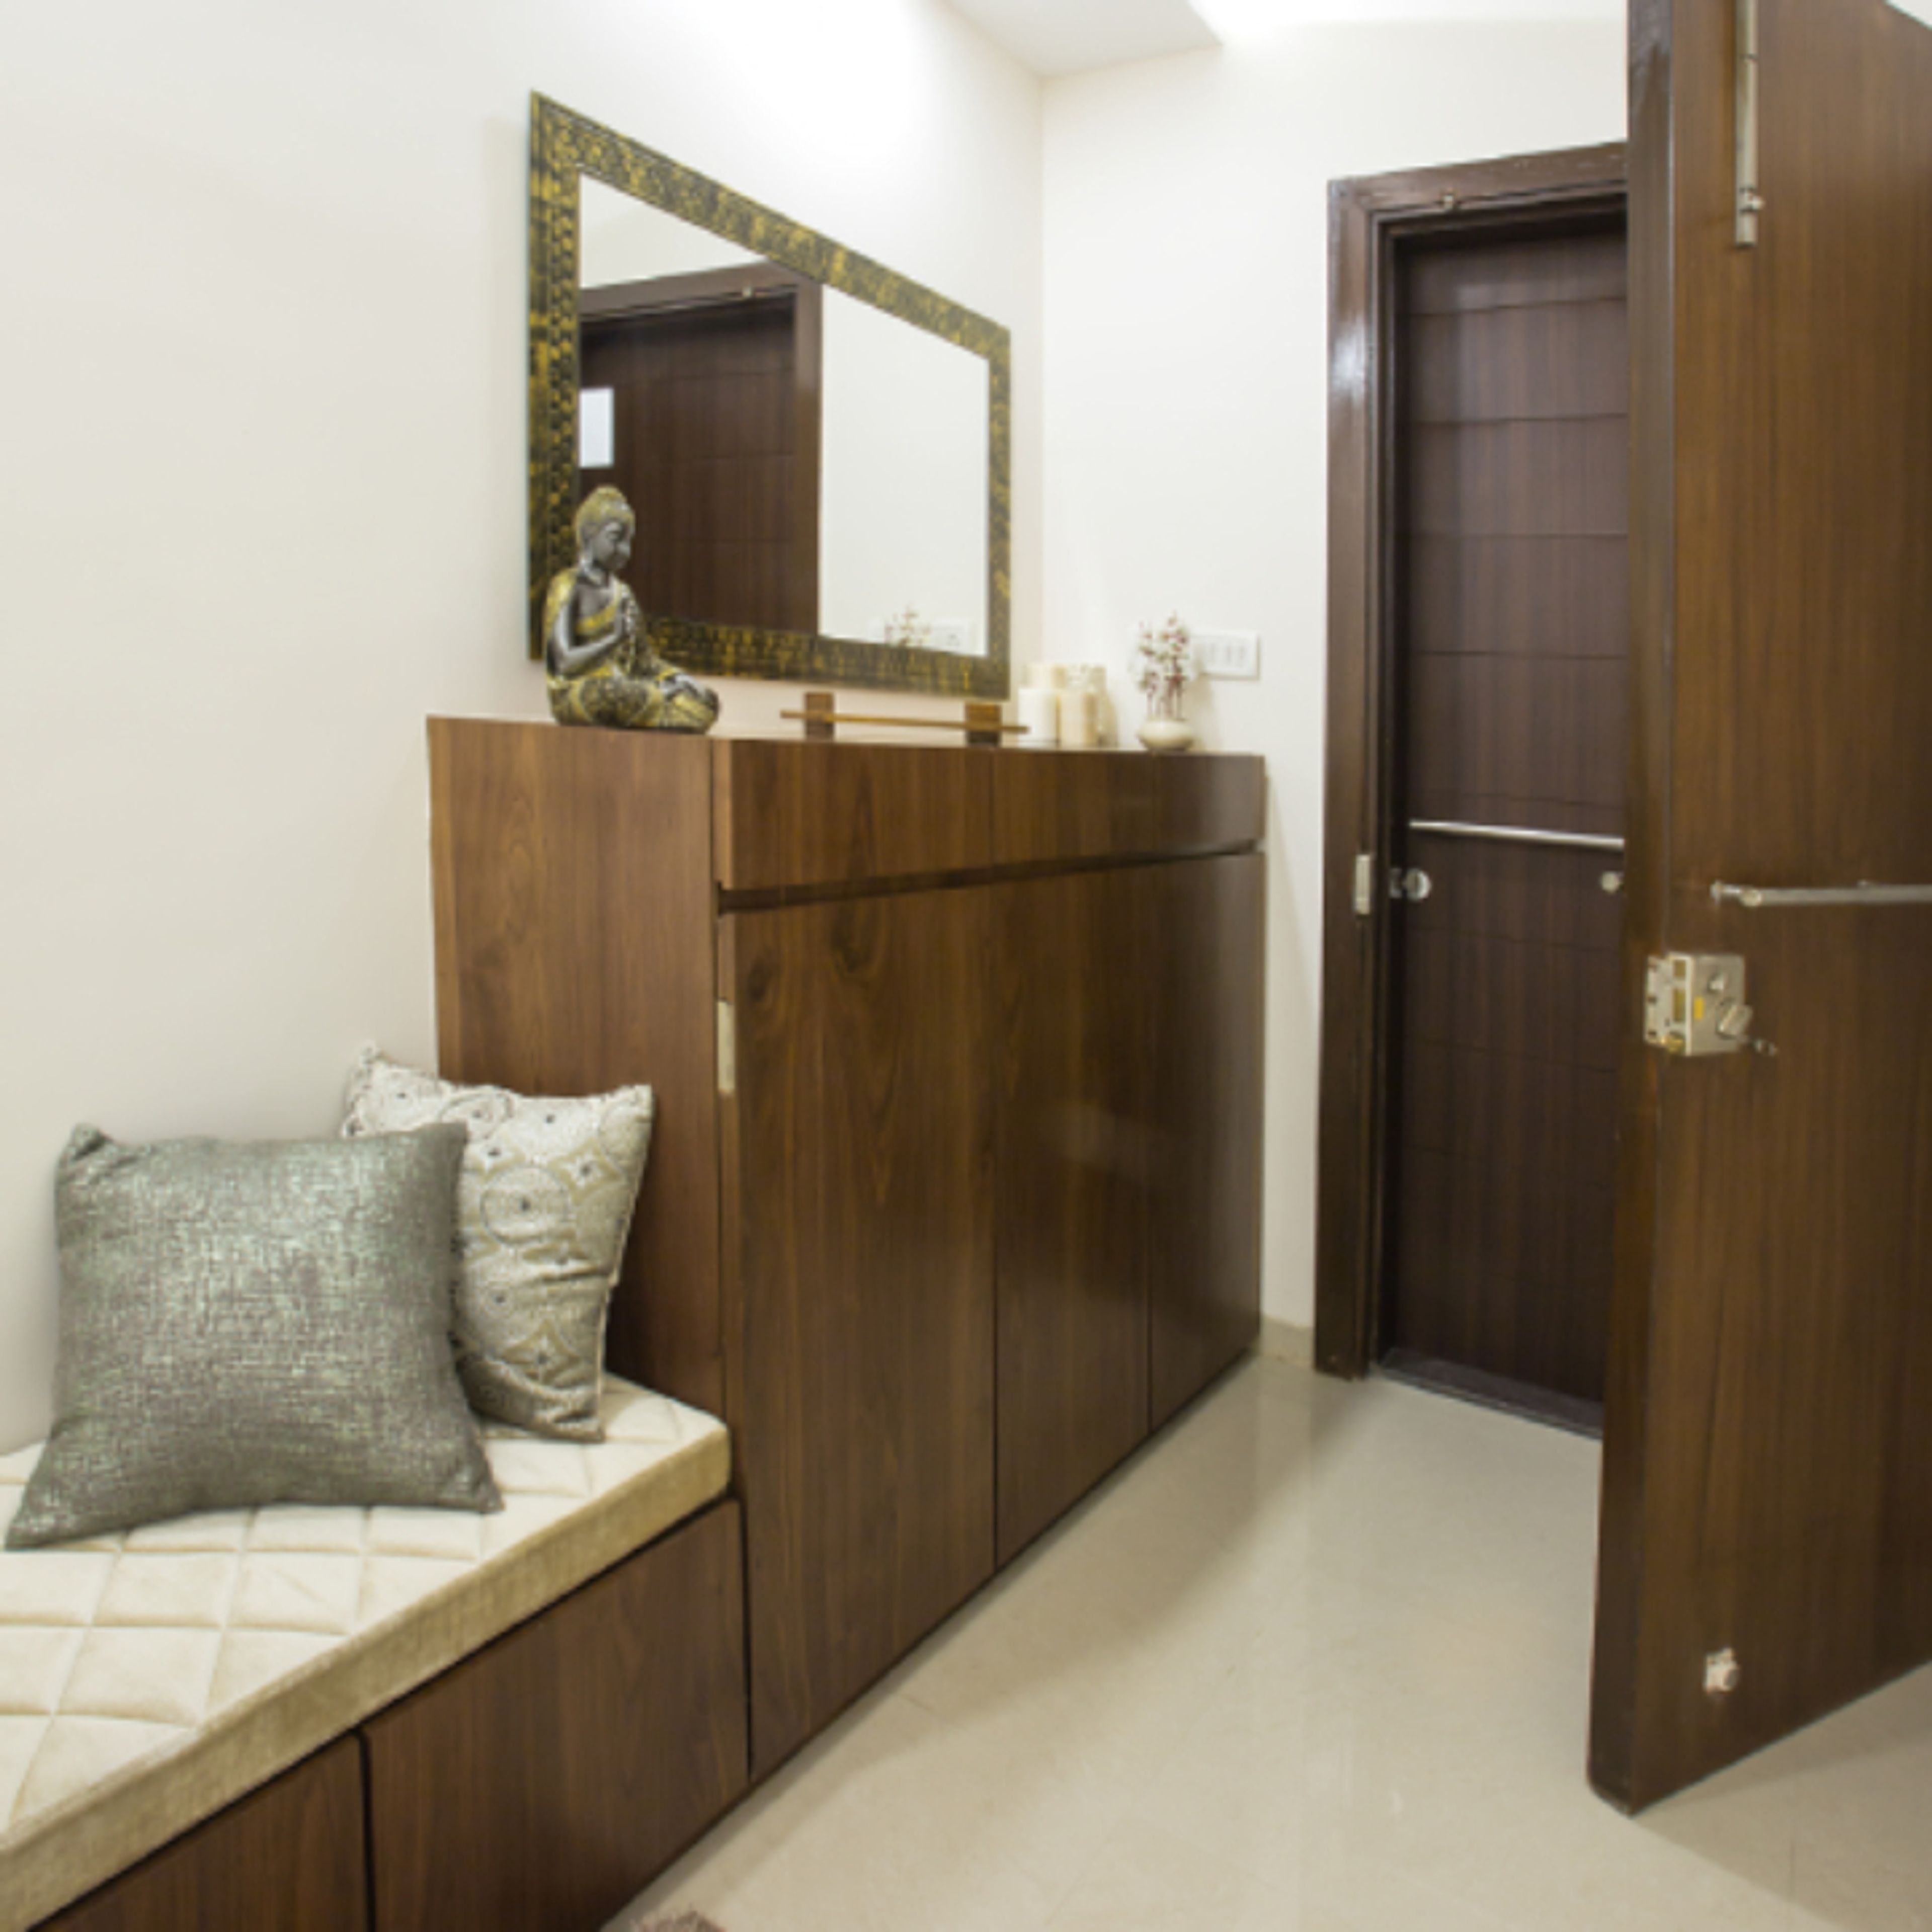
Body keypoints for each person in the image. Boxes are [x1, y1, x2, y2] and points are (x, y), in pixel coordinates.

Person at [544, 487, 720, 733]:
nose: (624, 550)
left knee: (705, 701)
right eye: (616, 538)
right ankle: (656, 699)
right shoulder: (568, 586)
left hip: (627, 689)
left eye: (629, 541)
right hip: (582, 692)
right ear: (588, 534)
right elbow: (563, 663)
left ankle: (658, 697)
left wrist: (677, 678)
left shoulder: (623, 593)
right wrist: (612, 639)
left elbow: (643, 661)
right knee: (611, 695)